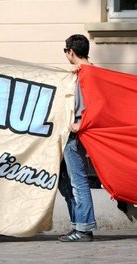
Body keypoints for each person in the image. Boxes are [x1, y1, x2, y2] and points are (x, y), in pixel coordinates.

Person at [58, 34, 97, 242]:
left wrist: (80, 124)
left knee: (78, 182)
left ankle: (83, 229)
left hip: (76, 135)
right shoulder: (88, 72)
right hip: (76, 135)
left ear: (71, 52)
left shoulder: (86, 75)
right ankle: (78, 225)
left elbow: (95, 105)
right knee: (68, 182)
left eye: (66, 52)